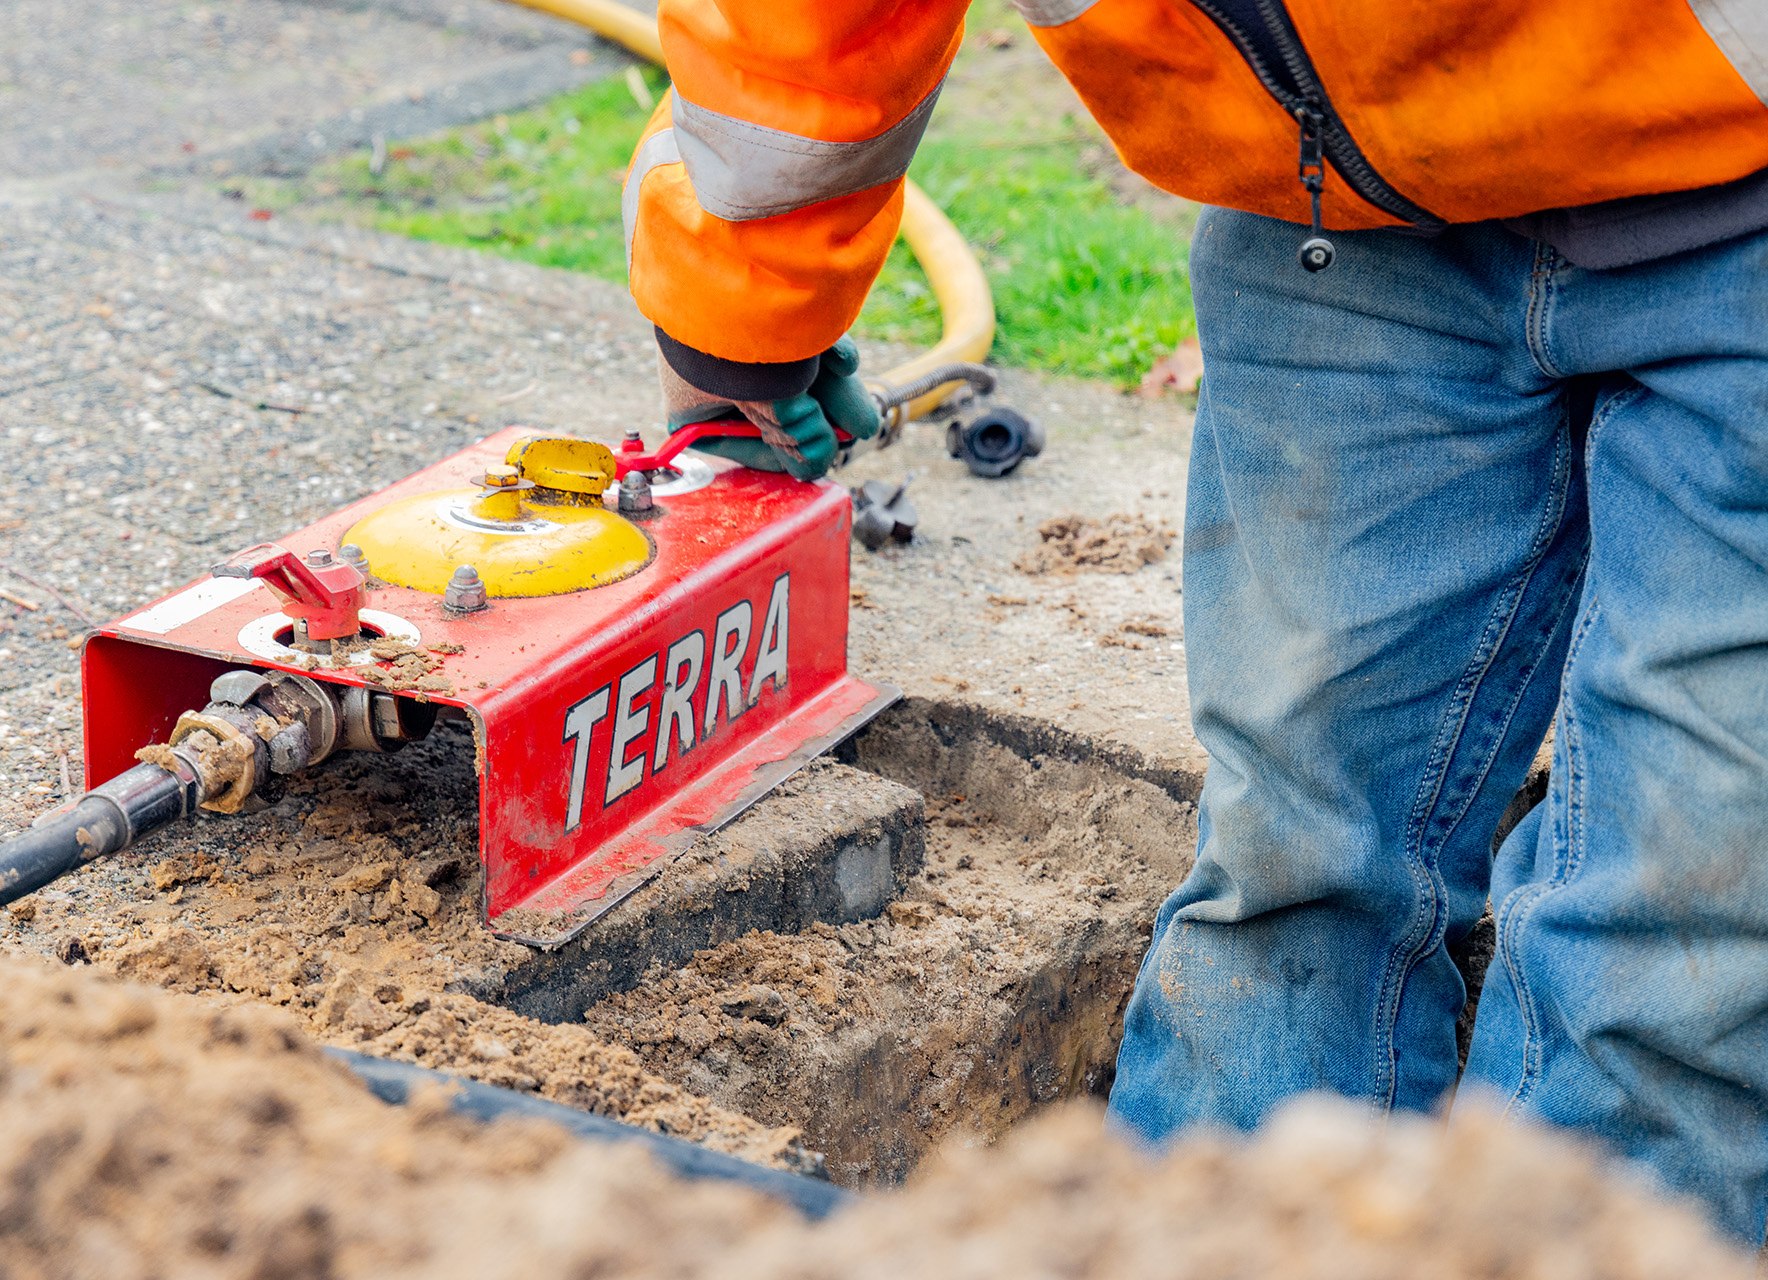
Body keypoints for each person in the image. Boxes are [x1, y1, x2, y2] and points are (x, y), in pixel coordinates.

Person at [621, 0, 1768, 1244]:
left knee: (1678, 924)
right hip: (1342, 215)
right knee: (1297, 843)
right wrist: (736, 338)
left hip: (1739, 206)